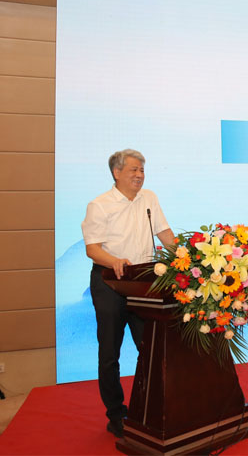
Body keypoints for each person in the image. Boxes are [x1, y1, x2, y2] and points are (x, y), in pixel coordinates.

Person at [81, 149, 175, 438]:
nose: (139, 175)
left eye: (142, 170)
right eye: (134, 169)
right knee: (110, 352)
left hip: (141, 283)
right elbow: (92, 249)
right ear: (116, 173)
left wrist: (188, 258)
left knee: (150, 349)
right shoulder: (100, 205)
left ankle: (147, 407)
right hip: (110, 282)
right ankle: (116, 414)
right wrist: (114, 261)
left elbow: (165, 234)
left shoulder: (149, 198)